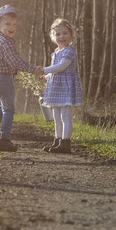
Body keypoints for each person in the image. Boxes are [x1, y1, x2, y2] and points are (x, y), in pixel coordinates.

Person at [0, 5, 43, 152]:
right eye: (7, 23)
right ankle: (5, 139)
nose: (12, 27)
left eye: (14, 24)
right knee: (9, 109)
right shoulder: (5, 42)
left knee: (2, 107)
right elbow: (15, 62)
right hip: (3, 79)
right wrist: (33, 70)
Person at [40, 18, 82, 154]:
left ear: (71, 35)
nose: (61, 37)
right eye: (58, 34)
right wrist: (46, 77)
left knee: (65, 116)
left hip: (65, 87)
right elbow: (56, 71)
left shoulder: (69, 51)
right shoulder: (56, 52)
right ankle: (57, 141)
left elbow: (61, 67)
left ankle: (66, 143)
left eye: (65, 33)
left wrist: (45, 70)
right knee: (56, 117)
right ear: (53, 36)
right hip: (55, 86)